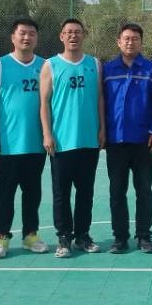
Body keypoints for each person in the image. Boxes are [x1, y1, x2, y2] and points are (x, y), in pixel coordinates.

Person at [39, 18, 106, 258]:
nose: (73, 36)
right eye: (68, 32)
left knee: (85, 192)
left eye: (77, 32)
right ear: (61, 36)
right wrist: (47, 133)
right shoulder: (50, 65)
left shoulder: (94, 64)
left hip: (88, 140)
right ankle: (64, 237)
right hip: (61, 141)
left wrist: (102, 129)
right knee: (61, 194)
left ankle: (82, 236)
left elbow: (100, 98)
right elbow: (44, 102)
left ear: (84, 35)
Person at [0, 17, 49, 259]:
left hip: (36, 144)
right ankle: (1, 237)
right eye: (22, 33)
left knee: (32, 194)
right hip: (8, 145)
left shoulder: (45, 66)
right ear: (13, 37)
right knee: (5, 194)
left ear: (37, 38)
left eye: (31, 33)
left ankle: (30, 236)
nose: (26, 37)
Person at [101, 23, 152, 254]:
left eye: (135, 38)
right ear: (118, 41)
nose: (130, 42)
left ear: (141, 42)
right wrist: (102, 131)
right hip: (115, 141)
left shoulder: (151, 70)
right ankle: (120, 237)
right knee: (117, 192)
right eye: (126, 38)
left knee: (144, 191)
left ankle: (144, 236)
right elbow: (100, 103)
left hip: (142, 141)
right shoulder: (107, 70)